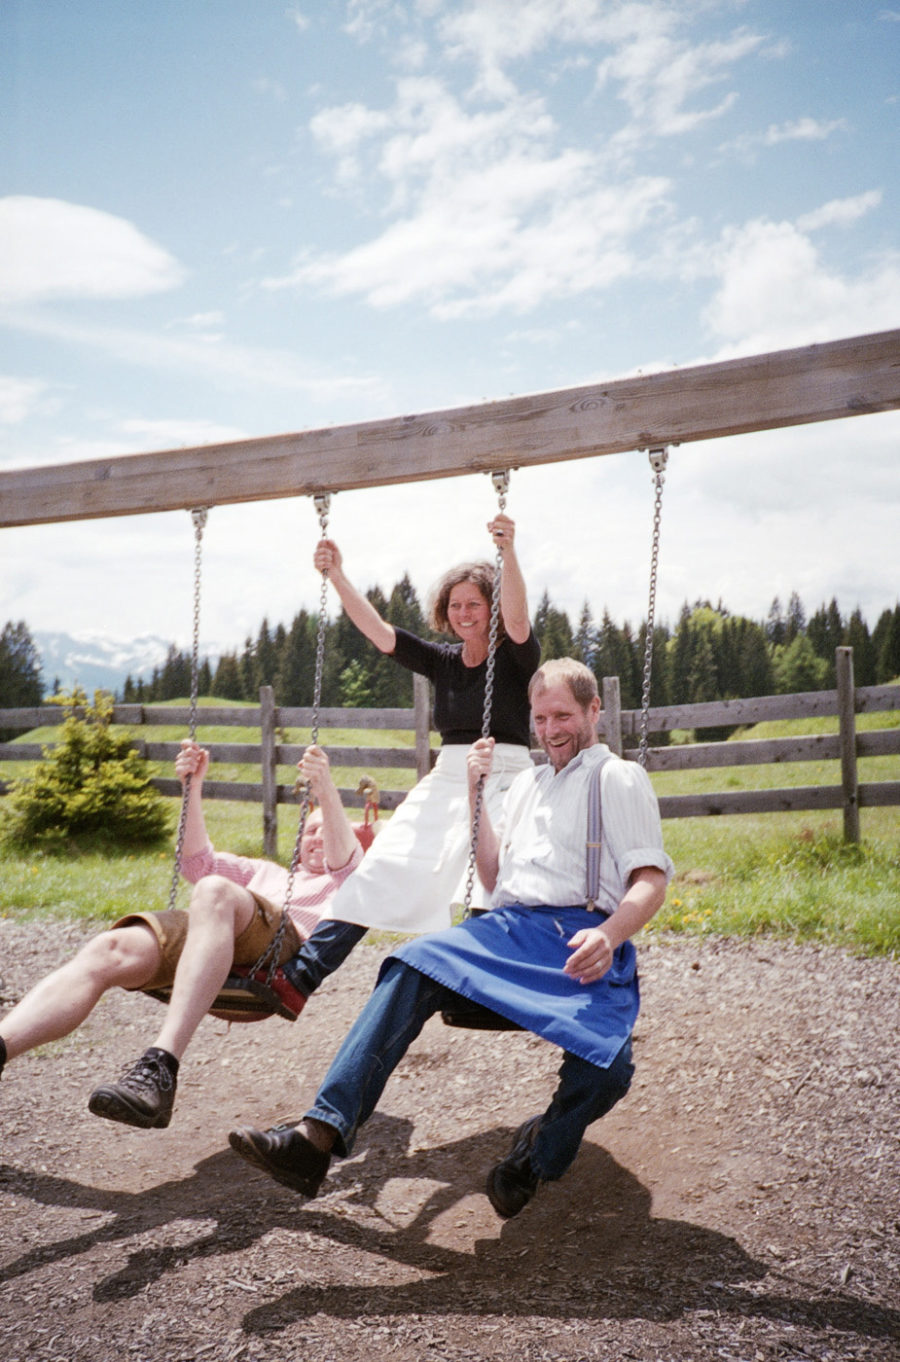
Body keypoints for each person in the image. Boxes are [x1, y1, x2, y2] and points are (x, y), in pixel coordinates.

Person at [229, 658, 674, 1219]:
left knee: (610, 1069)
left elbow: (650, 881)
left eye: (563, 714)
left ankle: (538, 1153)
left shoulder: (617, 778)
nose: (551, 728)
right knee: (411, 961)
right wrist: (475, 793)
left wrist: (609, 935)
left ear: (593, 711)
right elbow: (490, 880)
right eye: (540, 717)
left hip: (579, 935)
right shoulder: (529, 786)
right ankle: (316, 1137)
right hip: (508, 929)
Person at [0, 739, 363, 1131]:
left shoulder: (351, 883)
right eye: (310, 830)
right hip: (219, 930)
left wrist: (324, 790)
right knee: (111, 948)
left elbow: (346, 861)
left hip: (279, 954)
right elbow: (196, 861)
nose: (317, 837)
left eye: (327, 829)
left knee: (214, 889)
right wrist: (192, 786)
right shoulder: (267, 873)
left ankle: (160, 1067)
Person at [265, 512, 541, 1006]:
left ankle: (480, 987)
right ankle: (301, 977)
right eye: (455, 605)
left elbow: (518, 621)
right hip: (449, 774)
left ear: (492, 607)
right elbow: (379, 632)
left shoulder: (516, 657)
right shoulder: (442, 660)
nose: (464, 613)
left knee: (485, 876)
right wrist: (337, 576)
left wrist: (509, 552)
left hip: (505, 772)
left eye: (474, 604)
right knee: (384, 862)